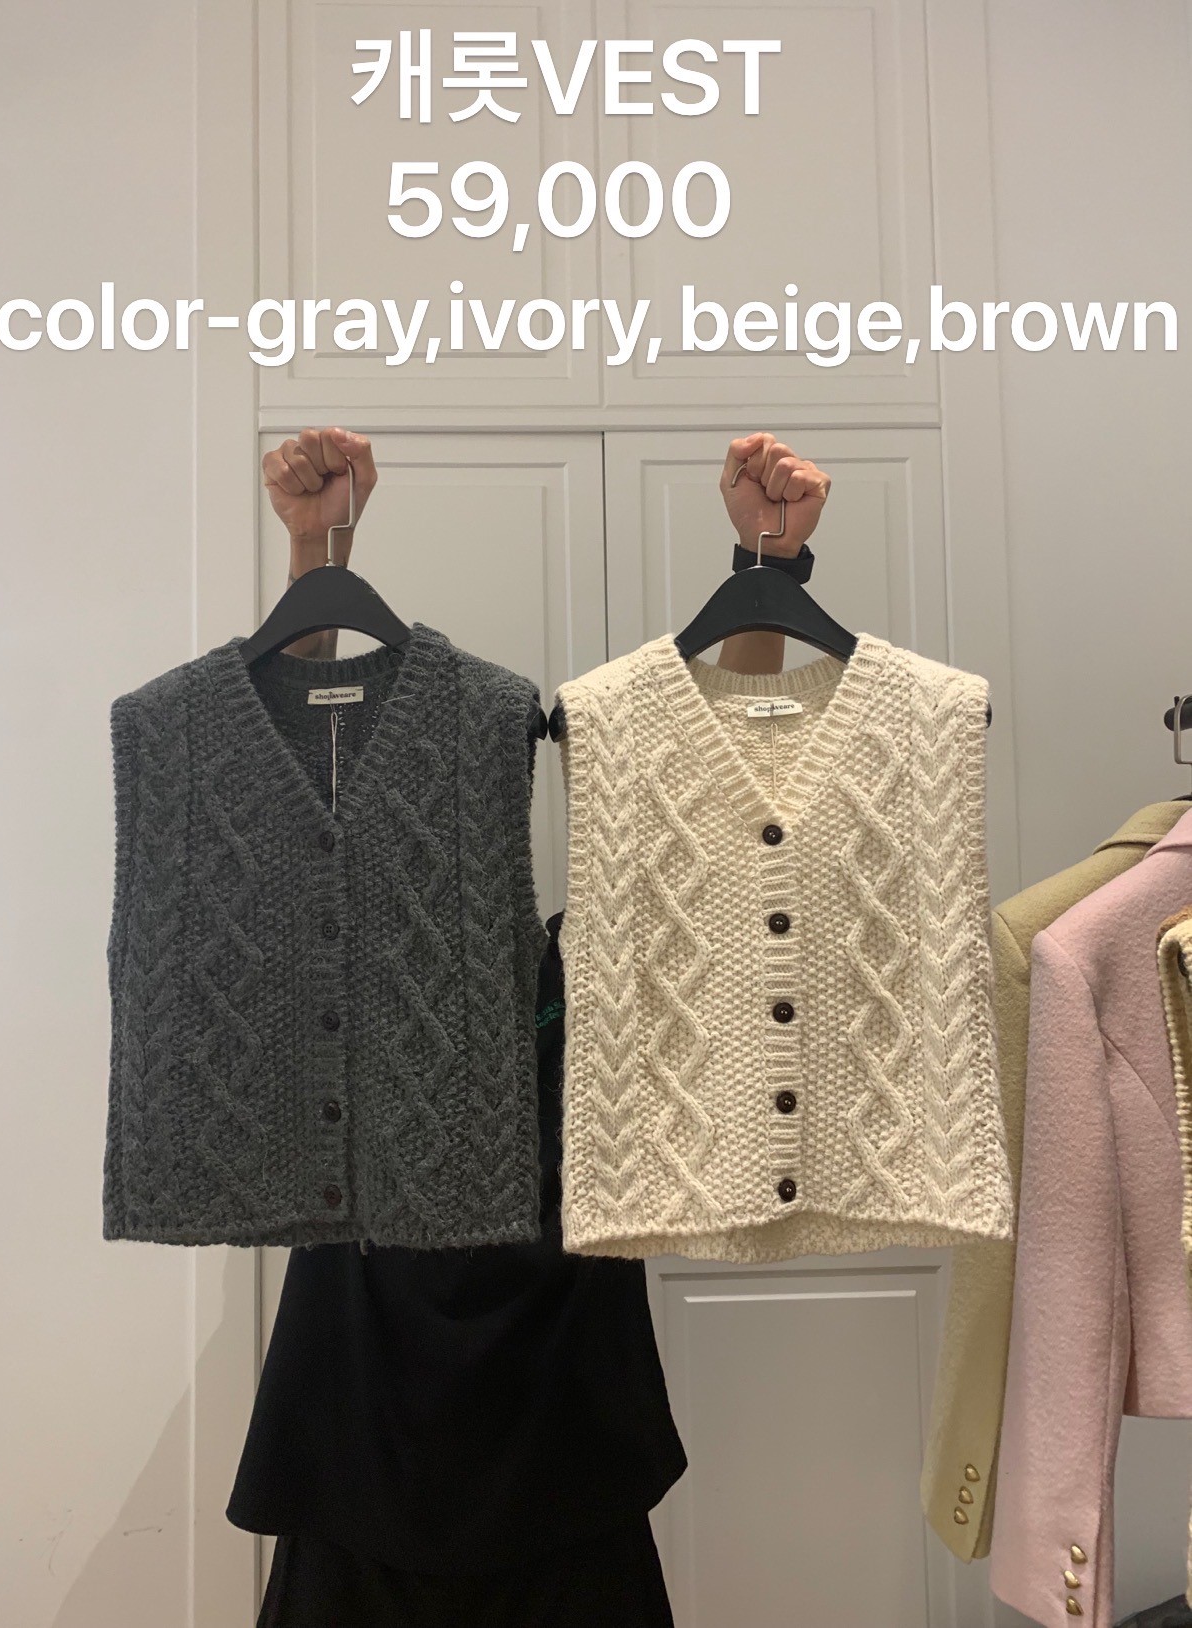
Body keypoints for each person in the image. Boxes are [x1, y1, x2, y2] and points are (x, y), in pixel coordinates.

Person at [227, 424, 832, 1628]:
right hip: (359, 1460)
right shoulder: (348, 971)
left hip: (567, 1463)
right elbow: (281, 796)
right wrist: (316, 556)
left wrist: (768, 570)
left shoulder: (600, 969)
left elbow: (732, 826)